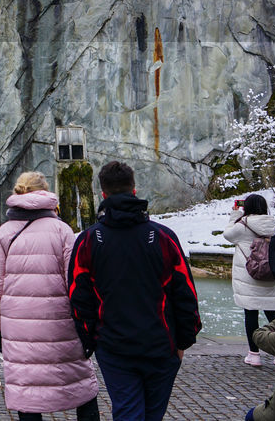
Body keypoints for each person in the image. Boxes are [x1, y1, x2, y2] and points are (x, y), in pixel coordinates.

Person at [68, 161, 201, 421]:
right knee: (152, 414)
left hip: (113, 345)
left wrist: (90, 340)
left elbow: (78, 298)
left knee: (128, 412)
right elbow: (186, 295)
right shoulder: (163, 237)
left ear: (103, 194)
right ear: (134, 190)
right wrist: (183, 341)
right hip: (161, 344)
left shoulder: (88, 241)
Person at [0, 171, 99, 421]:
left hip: (18, 326)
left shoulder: (5, 232)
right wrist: (86, 323)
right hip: (60, 323)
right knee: (80, 383)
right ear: (46, 193)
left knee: (27, 390)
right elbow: (76, 283)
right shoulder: (61, 230)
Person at [224, 193, 275, 366]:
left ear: (246, 207)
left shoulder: (243, 226)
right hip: (270, 274)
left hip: (250, 275)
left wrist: (234, 215)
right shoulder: (272, 224)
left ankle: (254, 354)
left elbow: (227, 235)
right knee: (274, 315)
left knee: (251, 314)